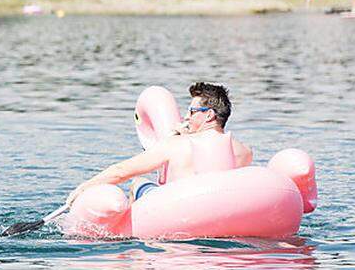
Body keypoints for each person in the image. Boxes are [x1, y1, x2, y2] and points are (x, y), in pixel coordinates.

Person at [65, 82, 253, 207]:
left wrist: (83, 188)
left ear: (209, 115)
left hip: (178, 212)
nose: (186, 117)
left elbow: (122, 171)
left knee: (137, 182)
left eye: (192, 111)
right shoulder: (244, 152)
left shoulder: (175, 144)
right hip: (222, 213)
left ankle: (137, 258)